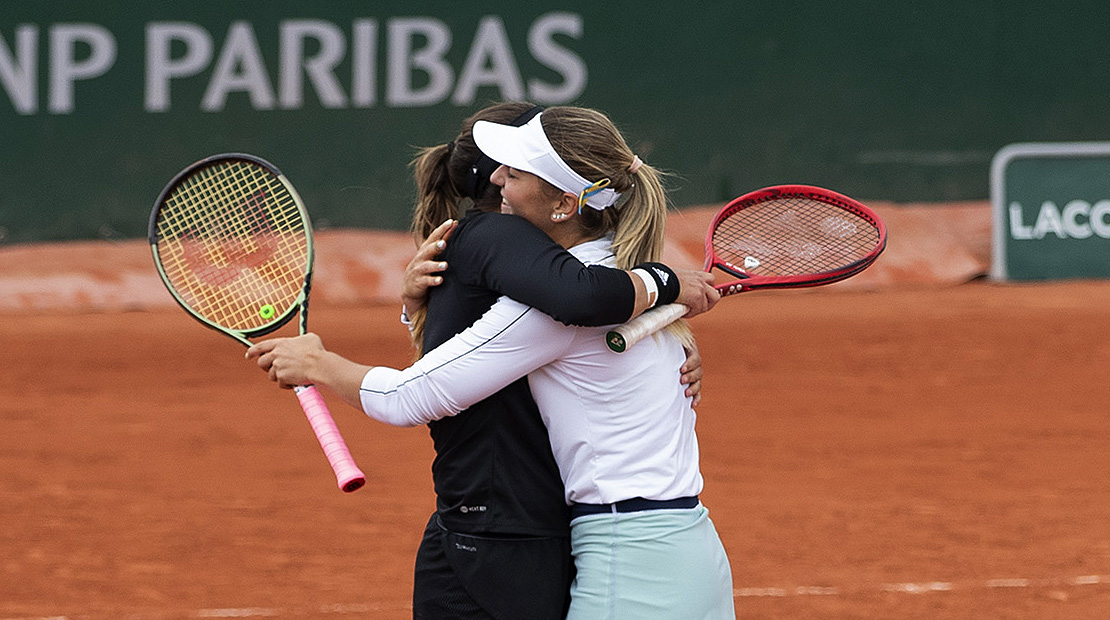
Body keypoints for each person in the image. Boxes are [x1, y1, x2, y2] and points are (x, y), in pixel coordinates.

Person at [248, 105, 734, 619]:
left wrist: (316, 363)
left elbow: (408, 397)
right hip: (689, 547)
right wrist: (415, 308)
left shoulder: (564, 305)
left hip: (631, 565)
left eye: (516, 172)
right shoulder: (633, 277)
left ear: (566, 204)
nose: (496, 178)